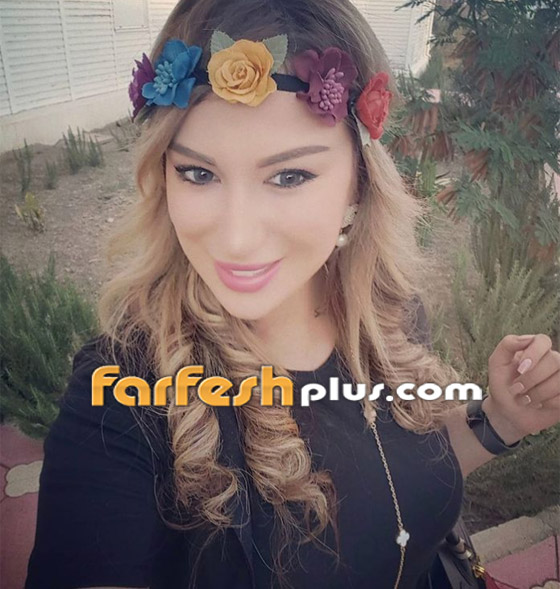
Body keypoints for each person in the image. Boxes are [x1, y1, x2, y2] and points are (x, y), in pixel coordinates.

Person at [25, 1, 560, 588]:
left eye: (289, 176)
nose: (235, 239)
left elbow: (403, 474)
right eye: (198, 173)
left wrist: (500, 420)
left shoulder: (389, 314)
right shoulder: (121, 399)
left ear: (359, 185)